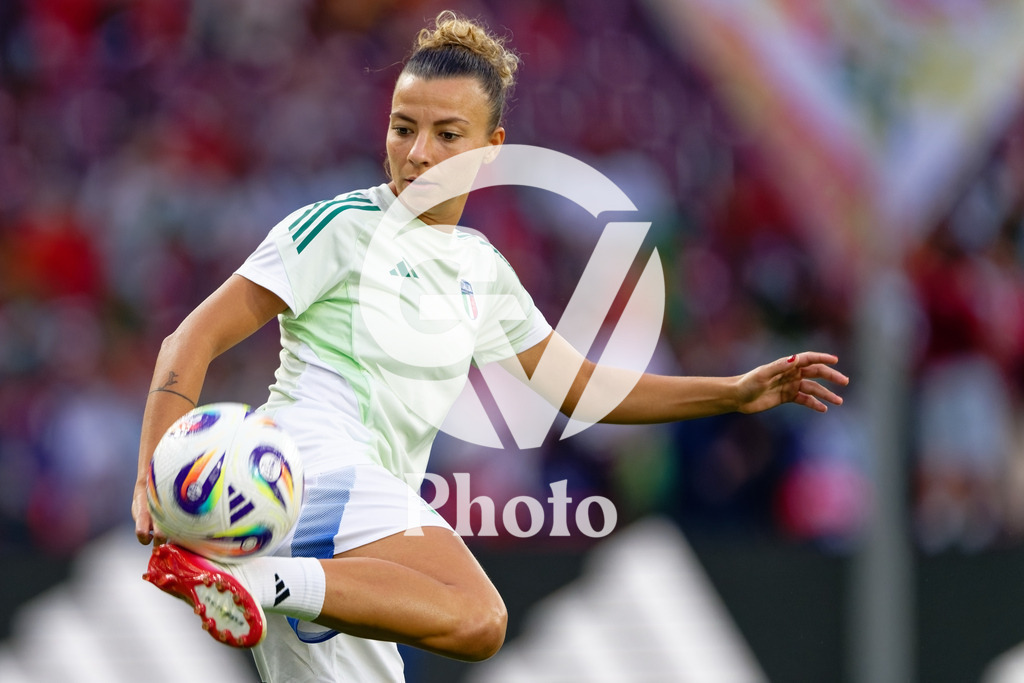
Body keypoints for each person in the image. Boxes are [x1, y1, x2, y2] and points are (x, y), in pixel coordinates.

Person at [131, 10, 849, 682]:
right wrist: (154, 483)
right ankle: (258, 578)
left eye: (447, 134)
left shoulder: (483, 269)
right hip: (309, 465)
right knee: (477, 614)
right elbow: (190, 339)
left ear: (491, 150)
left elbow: (583, 389)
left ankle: (253, 582)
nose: (418, 153)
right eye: (402, 127)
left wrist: (732, 393)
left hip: (353, 541)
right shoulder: (340, 226)